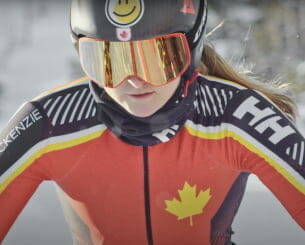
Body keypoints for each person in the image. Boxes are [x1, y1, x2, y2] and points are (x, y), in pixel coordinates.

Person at [0, 0, 304, 244]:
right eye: (110, 61)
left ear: (191, 50)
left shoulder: (235, 115)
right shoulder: (49, 122)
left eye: (158, 59)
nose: (134, 81)